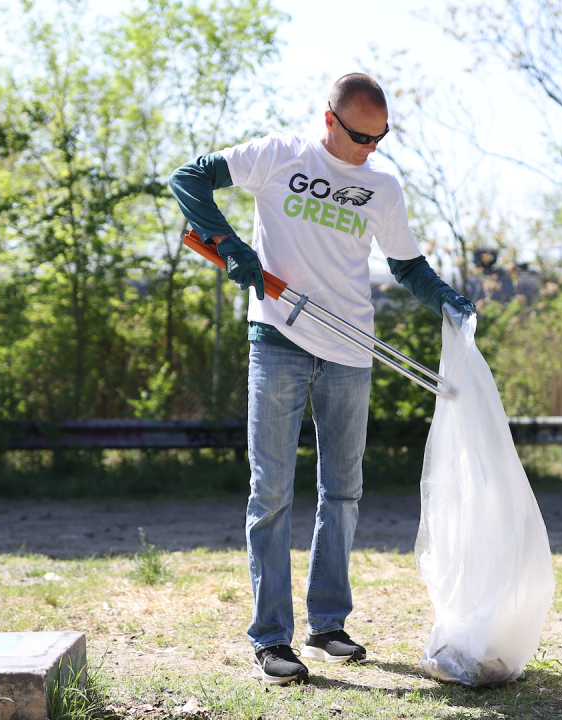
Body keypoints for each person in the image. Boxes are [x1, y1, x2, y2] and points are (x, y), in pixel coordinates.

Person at [168, 73, 475, 686]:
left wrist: (446, 300)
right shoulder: (280, 155)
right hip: (277, 339)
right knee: (271, 494)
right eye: (360, 136)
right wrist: (230, 246)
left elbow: (406, 264)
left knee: (343, 492)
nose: (369, 149)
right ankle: (271, 640)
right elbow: (188, 179)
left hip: (350, 349)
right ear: (330, 119)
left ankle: (328, 622)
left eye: (380, 137)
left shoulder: (381, 185)